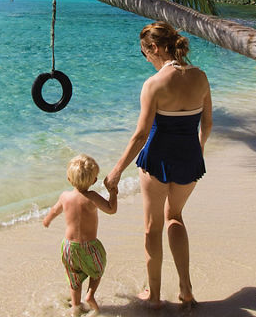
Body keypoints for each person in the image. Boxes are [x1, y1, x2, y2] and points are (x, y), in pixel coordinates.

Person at [104, 21, 212, 309]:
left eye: (146, 54)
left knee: (152, 228)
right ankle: (186, 290)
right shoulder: (201, 77)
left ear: (154, 48)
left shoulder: (153, 84)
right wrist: (196, 152)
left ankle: (154, 296)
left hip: (157, 159)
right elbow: (208, 124)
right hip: (190, 159)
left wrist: (115, 171)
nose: (148, 60)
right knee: (175, 217)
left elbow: (141, 135)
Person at [43, 153, 118, 313]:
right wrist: (113, 193)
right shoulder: (91, 197)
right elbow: (111, 210)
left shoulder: (64, 197)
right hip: (89, 246)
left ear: (69, 180)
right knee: (97, 270)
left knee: (74, 278)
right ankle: (90, 295)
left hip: (69, 247)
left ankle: (76, 307)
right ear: (94, 181)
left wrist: (47, 220)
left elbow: (54, 210)